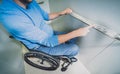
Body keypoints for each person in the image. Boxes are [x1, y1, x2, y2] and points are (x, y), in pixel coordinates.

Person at [0, 0, 94, 57]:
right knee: (74, 49)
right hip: (40, 46)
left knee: (72, 37)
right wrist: (75, 33)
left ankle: (62, 46)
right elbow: (48, 41)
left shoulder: (30, 1)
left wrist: (61, 12)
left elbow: (46, 16)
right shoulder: (11, 18)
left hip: (49, 33)